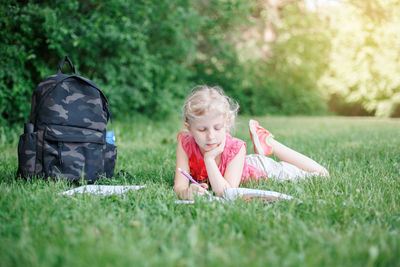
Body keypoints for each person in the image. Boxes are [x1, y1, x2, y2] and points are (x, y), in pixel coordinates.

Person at [174, 85, 329, 200]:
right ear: (189, 127)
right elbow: (179, 187)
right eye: (202, 129)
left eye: (217, 128)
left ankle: (269, 143)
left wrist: (208, 159)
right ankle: (266, 143)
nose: (211, 136)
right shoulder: (185, 143)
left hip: (260, 168)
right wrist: (188, 192)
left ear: (226, 124)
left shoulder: (236, 148)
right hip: (238, 165)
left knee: (322, 175)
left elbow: (225, 192)